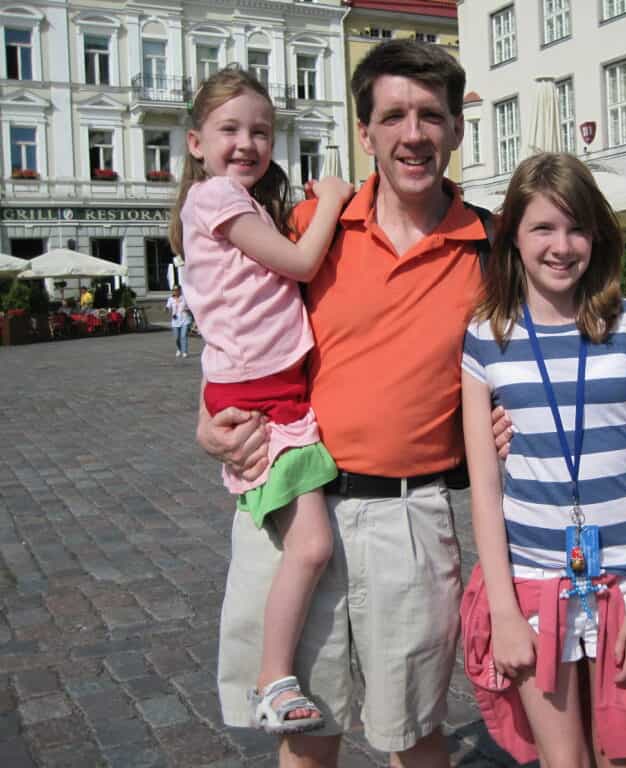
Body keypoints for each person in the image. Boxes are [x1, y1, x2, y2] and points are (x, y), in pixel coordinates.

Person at [196, 40, 486, 768]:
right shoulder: (305, 227)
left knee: (415, 733)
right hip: (298, 503)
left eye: (429, 115)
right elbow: (239, 332)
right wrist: (206, 421)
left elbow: (525, 366)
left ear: (455, 128)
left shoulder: (489, 246)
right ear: (365, 134)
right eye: (392, 116)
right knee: (307, 731)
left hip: (410, 515)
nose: (412, 134)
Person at [460, 153, 626, 767]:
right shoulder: (486, 333)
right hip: (531, 580)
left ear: (597, 235)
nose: (562, 246)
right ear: (513, 239)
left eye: (576, 228)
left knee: (620, 758)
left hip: (622, 579)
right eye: (543, 229)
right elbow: (483, 485)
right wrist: (502, 607)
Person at [169, 66, 353, 735]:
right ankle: (274, 677)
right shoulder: (217, 197)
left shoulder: (229, 200)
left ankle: (274, 674)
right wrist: (331, 197)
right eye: (229, 129)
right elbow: (302, 264)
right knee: (308, 546)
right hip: (265, 400)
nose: (247, 142)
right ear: (195, 142)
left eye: (261, 131)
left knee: (304, 545)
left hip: (262, 388)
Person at [165, 285, 193, 358]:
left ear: (180, 290)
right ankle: (179, 349)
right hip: (175, 321)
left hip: (185, 319)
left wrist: (188, 310)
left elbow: (191, 307)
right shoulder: (170, 299)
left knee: (183, 336)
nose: (175, 291)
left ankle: (184, 352)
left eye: (177, 290)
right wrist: (166, 309)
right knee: (177, 338)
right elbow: (168, 307)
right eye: (174, 290)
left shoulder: (184, 298)